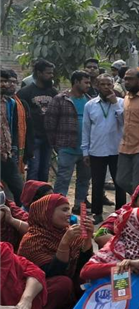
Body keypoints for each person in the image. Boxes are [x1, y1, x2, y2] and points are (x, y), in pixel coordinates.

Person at [81, 207, 139, 285]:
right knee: (121, 276)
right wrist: (120, 266)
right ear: (137, 228)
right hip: (121, 291)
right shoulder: (117, 245)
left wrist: (138, 263)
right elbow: (86, 271)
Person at [82, 73, 125, 223]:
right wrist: (85, 151)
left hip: (117, 150)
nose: (106, 87)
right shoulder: (90, 105)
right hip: (97, 150)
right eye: (103, 84)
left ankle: (120, 213)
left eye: (109, 84)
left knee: (119, 182)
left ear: (113, 86)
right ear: (97, 86)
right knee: (98, 183)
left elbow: (125, 123)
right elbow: (86, 129)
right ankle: (97, 213)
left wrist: (115, 105)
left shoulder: (121, 102)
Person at [46, 70, 92, 207]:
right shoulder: (61, 99)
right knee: (63, 178)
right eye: (86, 82)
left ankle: (79, 206)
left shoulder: (90, 101)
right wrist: (56, 144)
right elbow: (49, 122)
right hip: (66, 147)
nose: (88, 85)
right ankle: (59, 205)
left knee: (84, 179)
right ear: (76, 82)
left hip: (86, 149)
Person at [16, 60, 57, 182]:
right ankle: (31, 199)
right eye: (48, 73)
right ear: (39, 73)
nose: (51, 76)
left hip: (48, 137)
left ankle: (43, 198)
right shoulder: (25, 92)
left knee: (44, 169)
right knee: (34, 169)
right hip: (33, 138)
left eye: (52, 73)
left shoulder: (53, 92)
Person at [0, 69, 32, 202]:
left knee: (20, 190)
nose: (4, 85)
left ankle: (23, 218)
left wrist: (12, 149)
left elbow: (11, 128)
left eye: (5, 81)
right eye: (1, 81)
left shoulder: (9, 103)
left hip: (6, 155)